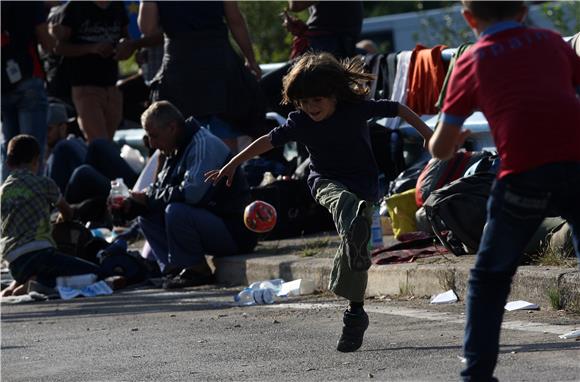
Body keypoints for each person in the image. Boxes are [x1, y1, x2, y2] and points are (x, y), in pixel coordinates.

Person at [205, 52, 433, 352]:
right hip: (325, 182)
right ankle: (353, 228)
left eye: (318, 100)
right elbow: (266, 141)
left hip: (363, 186)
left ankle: (355, 312)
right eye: (304, 101)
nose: (311, 108)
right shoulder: (300, 121)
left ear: (335, 95)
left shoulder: (355, 109)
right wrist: (232, 164)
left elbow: (400, 109)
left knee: (356, 250)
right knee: (343, 205)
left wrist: (430, 135)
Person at [428, 2, 580, 380]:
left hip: (524, 172)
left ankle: (476, 373)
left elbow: (441, 149)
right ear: (524, 10)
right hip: (577, 161)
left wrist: (455, 138)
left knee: (490, 276)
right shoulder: (551, 41)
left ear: (469, 18)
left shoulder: (471, 61)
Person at [120, 101, 258, 289]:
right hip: (208, 223)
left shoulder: (203, 144)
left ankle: (196, 268)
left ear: (172, 128)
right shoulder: (173, 148)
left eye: (154, 136)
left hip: (233, 231)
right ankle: (174, 269)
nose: (151, 144)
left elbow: (193, 195)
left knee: (176, 211)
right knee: (146, 213)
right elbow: (159, 190)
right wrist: (132, 204)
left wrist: (149, 197)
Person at [138, 1, 265, 152]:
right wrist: (250, 59)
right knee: (223, 130)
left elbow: (148, 28)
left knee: (178, 136)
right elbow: (235, 20)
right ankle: (226, 174)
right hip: (216, 61)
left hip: (181, 65)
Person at [0, 135, 101, 297]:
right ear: (37, 161)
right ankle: (39, 282)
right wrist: (63, 217)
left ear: (8, 163)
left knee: (29, 267)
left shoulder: (3, 191)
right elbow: (67, 212)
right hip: (41, 255)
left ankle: (15, 286)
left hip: (14, 262)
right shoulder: (44, 184)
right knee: (95, 273)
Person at [50, 1, 129, 142]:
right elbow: (59, 47)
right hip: (84, 84)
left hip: (111, 84)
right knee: (99, 141)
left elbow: (126, 39)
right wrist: (92, 48)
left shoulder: (117, 6)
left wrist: (124, 47)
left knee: (107, 142)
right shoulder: (76, 6)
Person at [1, 1, 54, 181]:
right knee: (32, 151)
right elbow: (47, 41)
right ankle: (32, 202)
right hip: (28, 78)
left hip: (4, 82)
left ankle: (6, 203)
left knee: (10, 152)